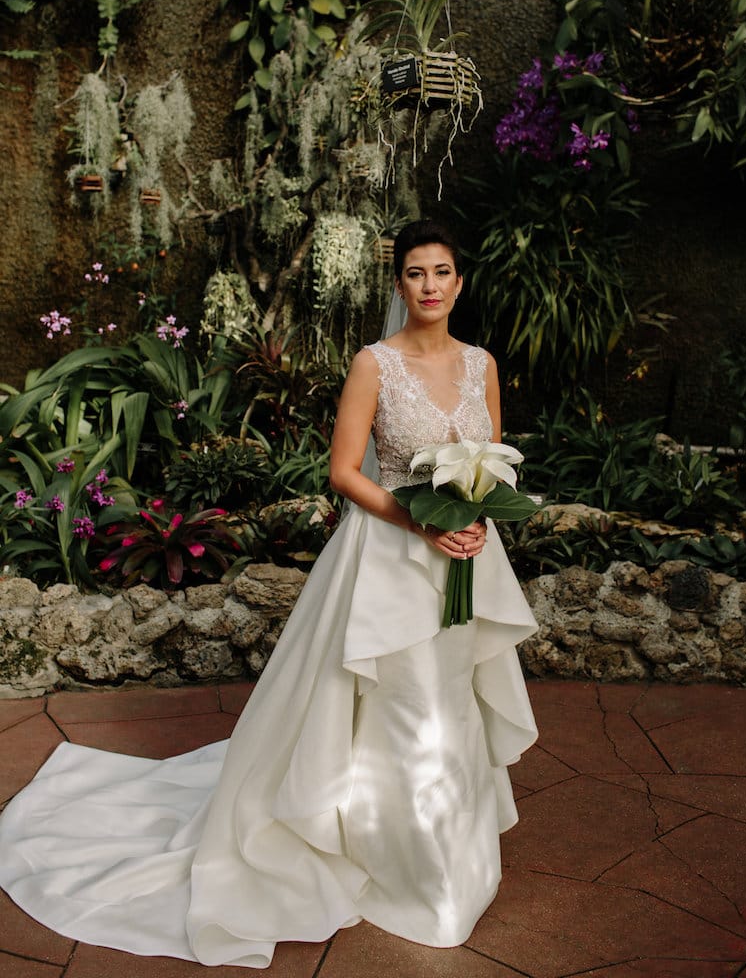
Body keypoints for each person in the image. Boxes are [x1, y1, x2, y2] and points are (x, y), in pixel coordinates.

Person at [0, 219, 538, 969]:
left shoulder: (481, 364)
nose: (431, 287)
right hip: (391, 555)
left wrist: (475, 516)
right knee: (408, 703)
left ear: (459, 280)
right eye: (416, 273)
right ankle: (406, 868)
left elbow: (489, 458)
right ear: (398, 284)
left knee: (455, 703)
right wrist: (418, 522)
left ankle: (451, 863)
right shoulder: (374, 364)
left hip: (467, 556)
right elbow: (346, 472)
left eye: (443, 272)